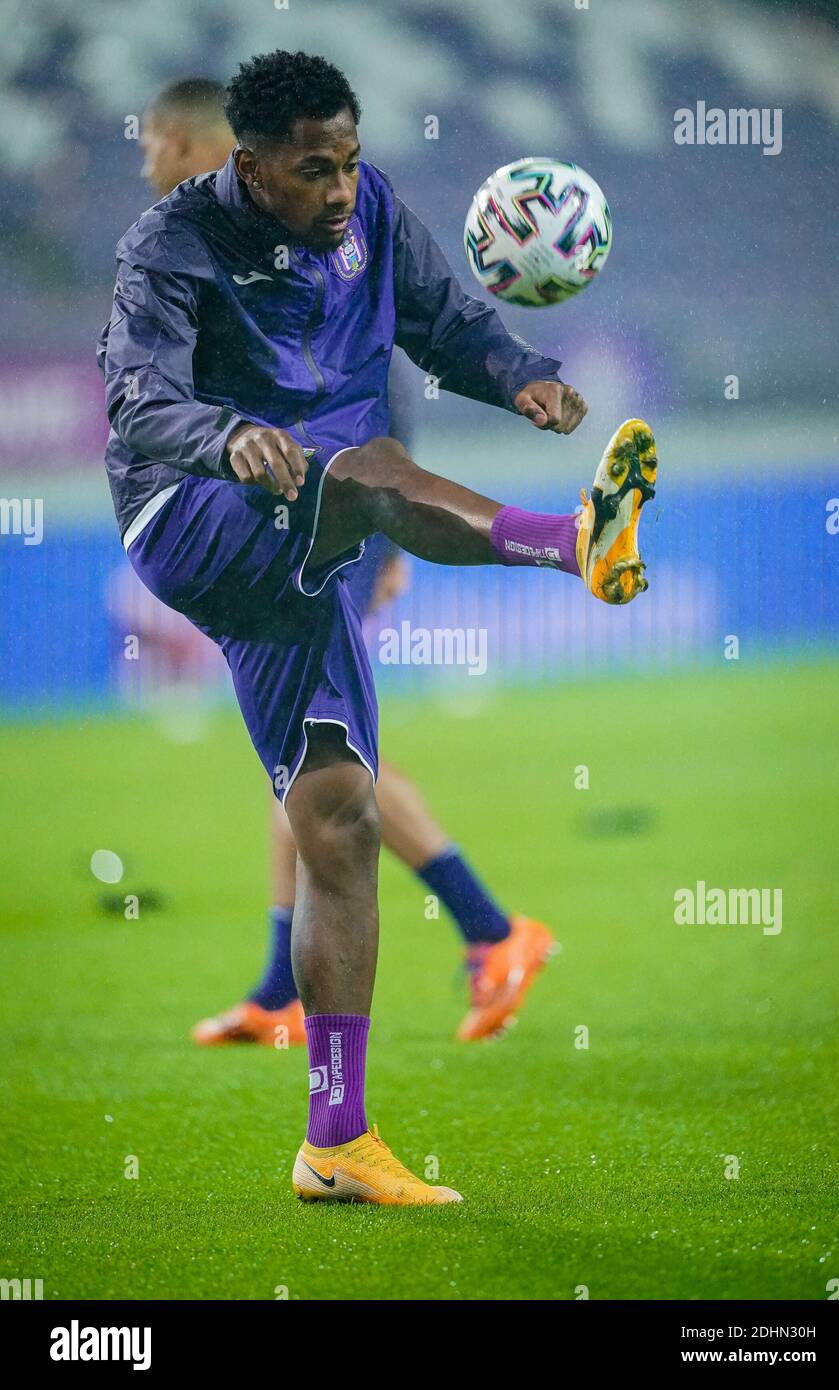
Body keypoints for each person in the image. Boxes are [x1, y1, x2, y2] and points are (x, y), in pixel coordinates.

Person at [99, 50, 657, 1205]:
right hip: (196, 512)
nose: (342, 189)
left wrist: (520, 380)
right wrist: (220, 438)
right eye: (315, 171)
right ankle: (570, 542)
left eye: (350, 162)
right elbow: (138, 398)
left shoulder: (372, 210)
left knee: (337, 816)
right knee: (363, 467)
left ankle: (334, 1141)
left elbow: (447, 325)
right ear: (250, 168)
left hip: (308, 541)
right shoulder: (171, 246)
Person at [140, 76, 557, 1049]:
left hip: (326, 513)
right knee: (297, 755)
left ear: (208, 149)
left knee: (329, 755)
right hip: (278, 509)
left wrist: (386, 530)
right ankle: (285, 982)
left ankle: (493, 929)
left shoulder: (294, 228)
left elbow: (373, 361)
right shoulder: (209, 244)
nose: (147, 159)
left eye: (158, 141)